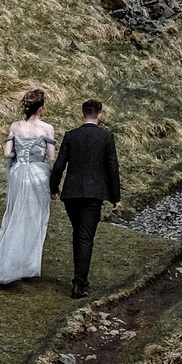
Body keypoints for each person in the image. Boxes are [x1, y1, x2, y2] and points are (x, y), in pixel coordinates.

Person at [48, 98, 122, 298]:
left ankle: (80, 279)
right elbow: (112, 169)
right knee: (85, 237)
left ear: (82, 114)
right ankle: (79, 284)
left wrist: (54, 188)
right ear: (100, 115)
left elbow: (59, 166)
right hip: (93, 194)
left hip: (71, 193)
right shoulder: (106, 137)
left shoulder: (71, 136)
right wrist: (116, 197)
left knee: (78, 234)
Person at [0, 89, 55, 286]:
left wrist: (19, 156)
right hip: (38, 175)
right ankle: (26, 265)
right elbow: (51, 157)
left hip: (18, 174)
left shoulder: (15, 126)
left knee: (14, 215)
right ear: (40, 108)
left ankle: (7, 262)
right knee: (35, 219)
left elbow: (7, 153)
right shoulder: (47, 128)